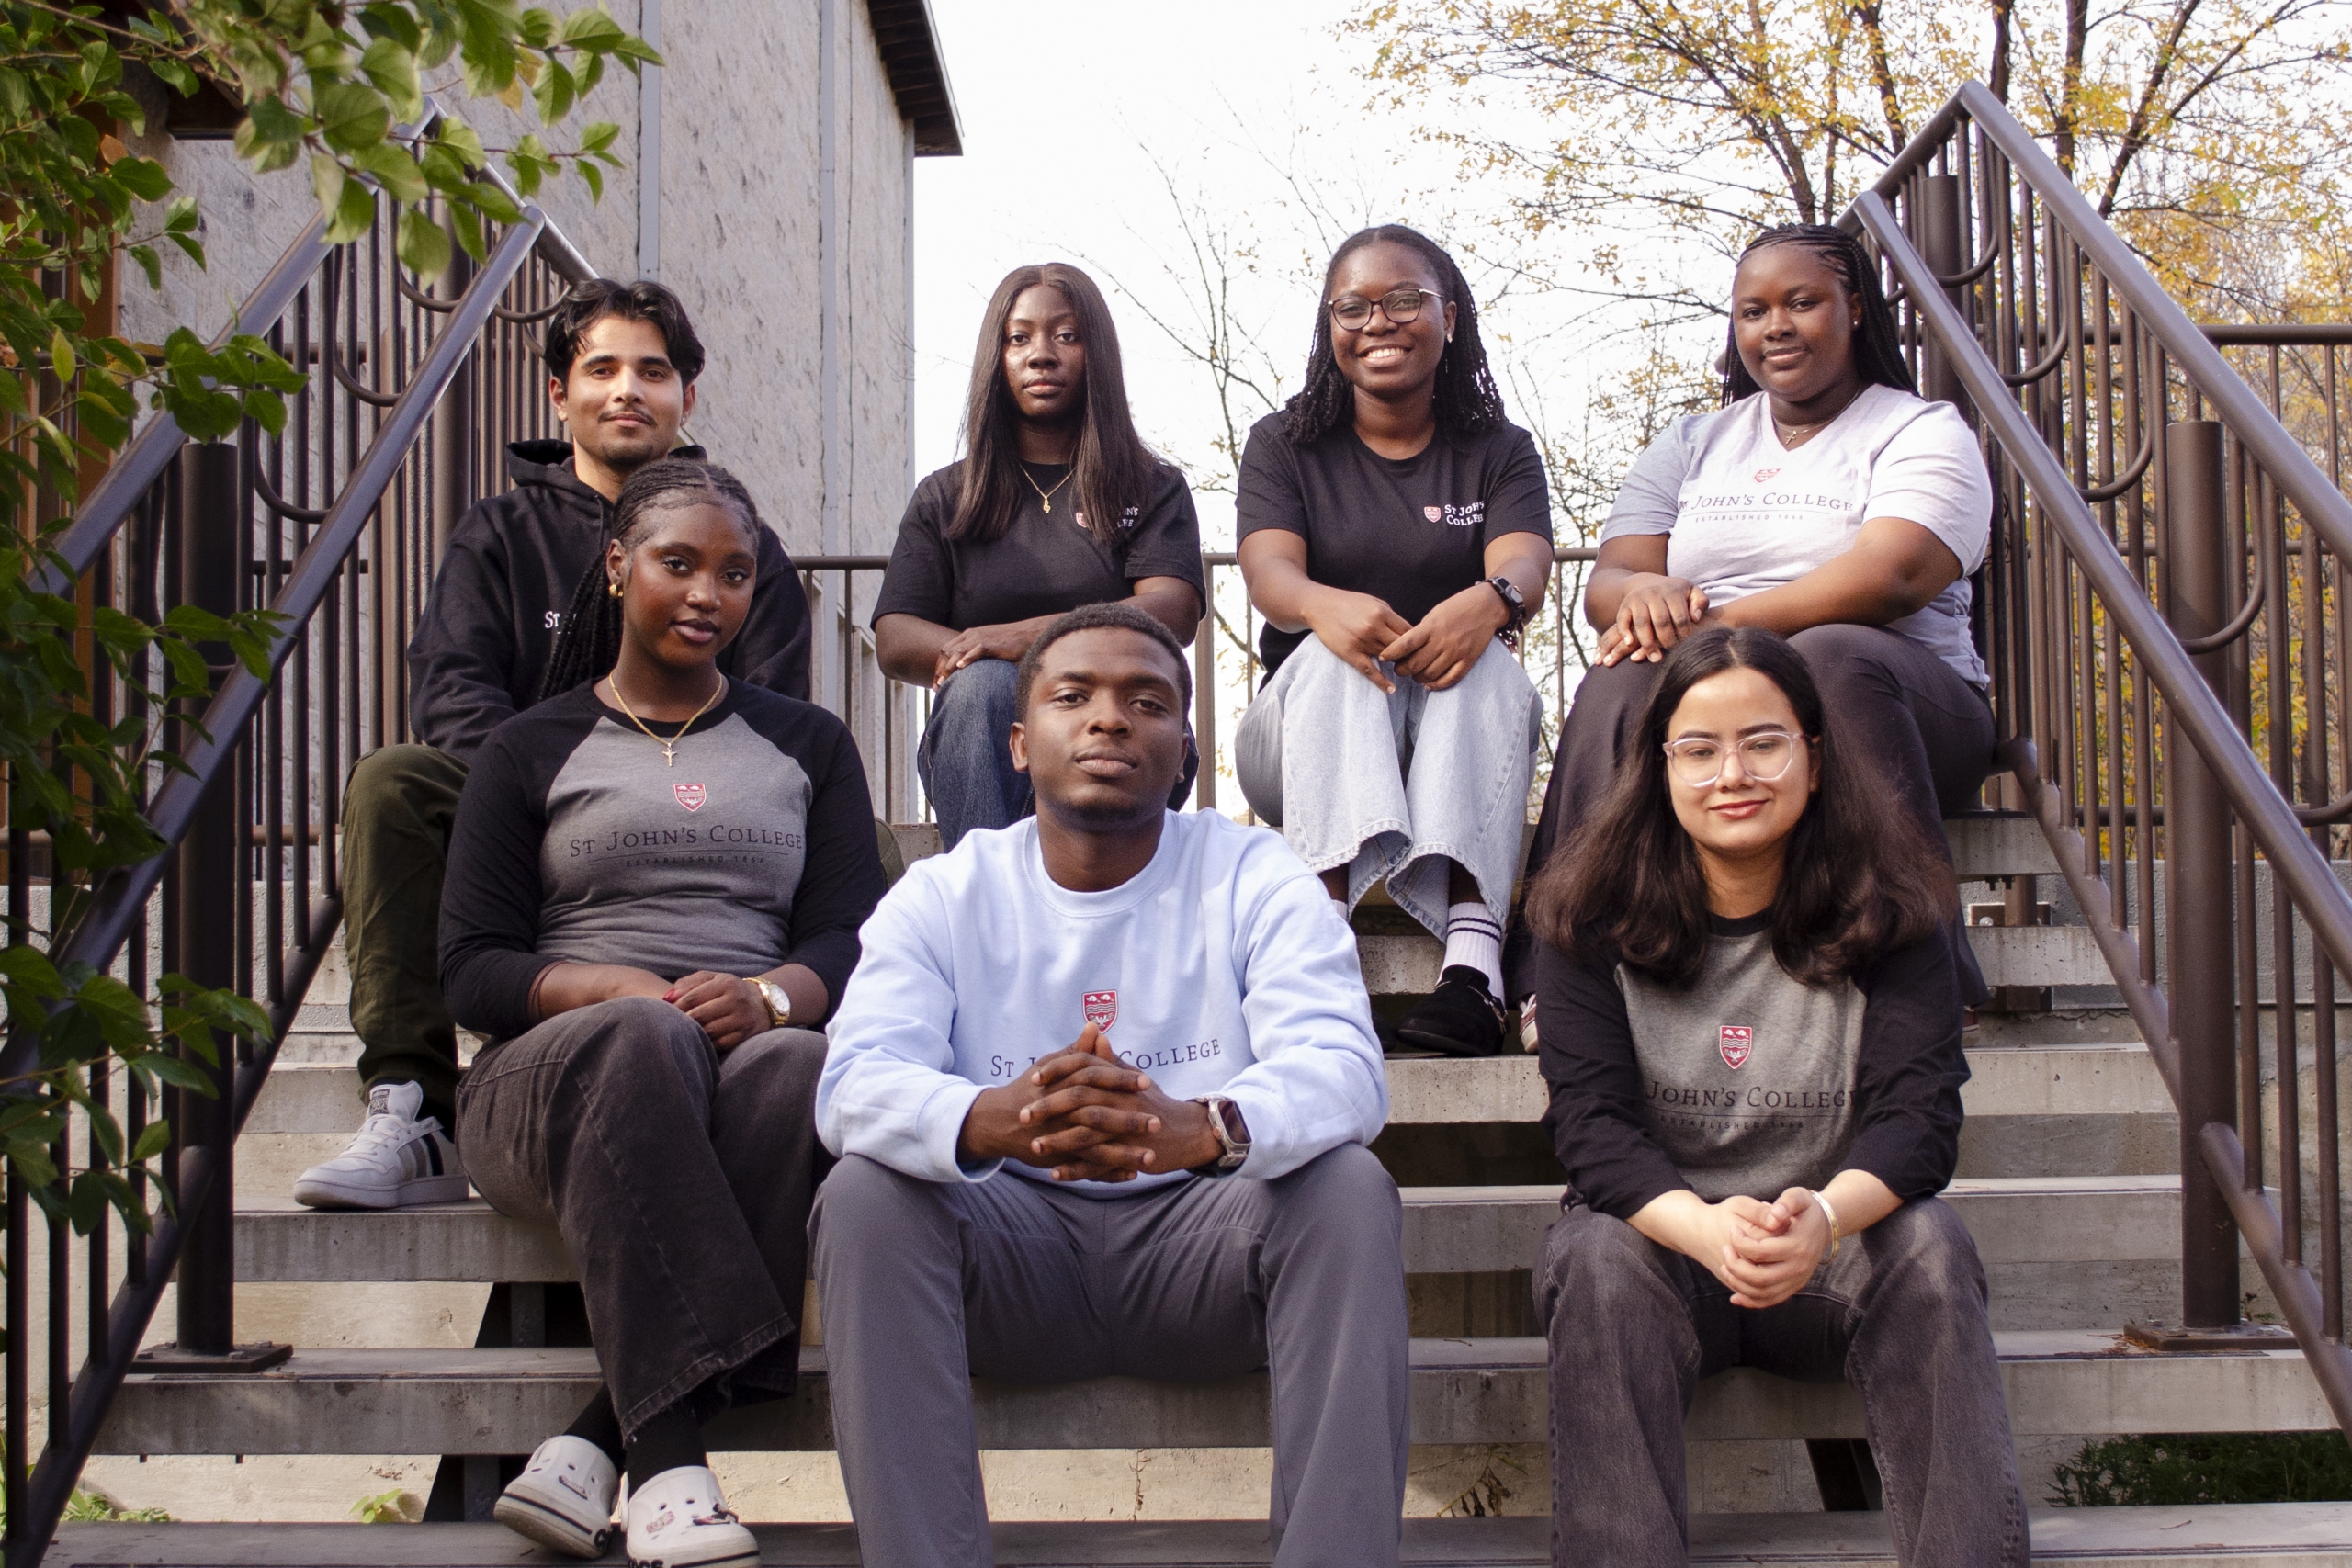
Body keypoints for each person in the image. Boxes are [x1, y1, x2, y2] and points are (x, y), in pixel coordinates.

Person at [812, 602, 1407, 1568]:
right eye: (1072, 696)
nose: (1108, 720)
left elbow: (1344, 1069)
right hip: (1011, 1256)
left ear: (1187, 751)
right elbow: (850, 1084)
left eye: (1147, 702)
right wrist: (988, 1119)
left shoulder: (1257, 874)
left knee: (1345, 1190)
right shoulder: (943, 891)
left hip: (1202, 1256)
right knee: (864, 1195)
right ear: (1017, 742)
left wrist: (1204, 1126)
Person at [435, 458, 886, 1568]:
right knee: (641, 1036)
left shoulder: (809, 744)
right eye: (678, 564)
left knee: (796, 1066)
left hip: (736, 1072)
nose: (707, 595)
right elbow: (471, 965)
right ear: (618, 565)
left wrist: (772, 995)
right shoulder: (529, 745)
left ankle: (597, 1443)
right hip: (544, 1087)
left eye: (733, 575)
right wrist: (609, 988)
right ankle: (673, 1457)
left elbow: (849, 937)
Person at [295, 278, 813, 1211]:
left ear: (685, 399)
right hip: (520, 810)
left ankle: (830, 1088)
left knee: (866, 847)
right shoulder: (499, 532)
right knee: (393, 783)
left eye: (652, 372)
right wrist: (556, 787)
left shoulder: (745, 551)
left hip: (694, 814)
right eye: (601, 368)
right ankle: (415, 1106)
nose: (626, 390)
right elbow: (452, 688)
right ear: (557, 394)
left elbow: (777, 715)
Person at [1527, 626, 2025, 1568]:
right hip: (1666, 1260)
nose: (1732, 775)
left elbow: (1919, 1126)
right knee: (1593, 1252)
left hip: (1831, 1256)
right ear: (1660, 766)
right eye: (1699, 749)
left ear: (1814, 755)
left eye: (1762, 742)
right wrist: (1707, 1232)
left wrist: (1822, 1220)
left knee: (1927, 1241)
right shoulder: (1583, 914)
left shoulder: (1895, 907)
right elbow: (1589, 1133)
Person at [1513, 221, 1995, 1006]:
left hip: (1898, 703)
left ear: (1856, 309)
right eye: (1752, 311)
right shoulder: (1694, 441)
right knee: (1623, 676)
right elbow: (1611, 578)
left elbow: (1896, 574)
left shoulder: (1917, 428)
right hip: (1732, 706)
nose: (1775, 327)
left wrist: (1720, 631)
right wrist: (1645, 598)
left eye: (1801, 303)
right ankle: (1560, 979)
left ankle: (1918, 976)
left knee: (1836, 652)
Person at [1232, 223, 1553, 1058]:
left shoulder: (1498, 450)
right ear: (1329, 327)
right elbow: (1269, 571)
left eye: (1404, 300)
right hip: (1301, 747)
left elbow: (1523, 560)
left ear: (1448, 316)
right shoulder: (1286, 443)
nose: (1379, 321)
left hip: (1455, 746)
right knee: (1342, 652)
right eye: (1354, 306)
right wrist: (1321, 607)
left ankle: (1473, 973)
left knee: (1483, 658)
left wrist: (1491, 601)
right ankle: (1317, 944)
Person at [874, 262, 1205, 848]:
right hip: (984, 746)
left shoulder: (1150, 487)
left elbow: (1173, 608)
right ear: (995, 358)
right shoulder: (947, 495)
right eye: (1018, 337)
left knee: (1006, 681)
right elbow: (897, 637)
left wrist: (1027, 639)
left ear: (1096, 353)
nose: (1042, 354)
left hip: (1119, 729)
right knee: (981, 689)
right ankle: (989, 904)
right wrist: (991, 660)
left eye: (1067, 336)